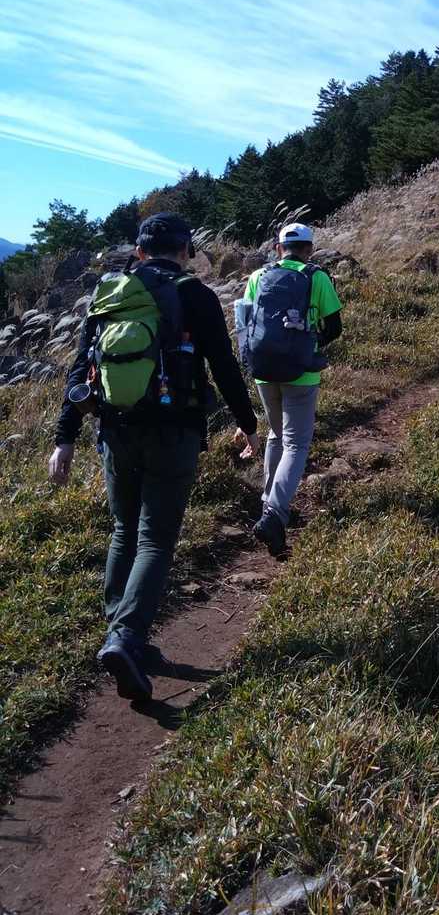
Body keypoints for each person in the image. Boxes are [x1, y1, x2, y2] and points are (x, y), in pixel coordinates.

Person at [48, 213, 260, 703]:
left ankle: (123, 635)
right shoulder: (196, 294)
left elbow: (81, 369)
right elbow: (223, 365)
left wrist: (65, 437)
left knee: (124, 530)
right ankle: (126, 638)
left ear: (140, 252)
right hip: (173, 430)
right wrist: (248, 423)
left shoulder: (110, 293)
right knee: (156, 540)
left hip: (114, 430)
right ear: (186, 252)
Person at [244, 222, 342, 557]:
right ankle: (274, 514)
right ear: (309, 249)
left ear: (278, 248)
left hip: (263, 371)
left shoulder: (257, 277)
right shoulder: (317, 277)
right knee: (296, 444)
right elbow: (334, 327)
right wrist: (308, 344)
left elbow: (245, 322)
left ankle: (268, 504)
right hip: (301, 374)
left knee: (275, 435)